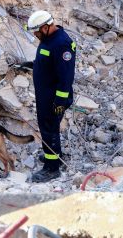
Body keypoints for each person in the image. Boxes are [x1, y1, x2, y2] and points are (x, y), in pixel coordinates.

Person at [25, 10, 77, 183]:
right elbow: (48, 64)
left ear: (46, 27)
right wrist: (31, 65)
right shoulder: (48, 39)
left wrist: (60, 101)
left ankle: (52, 168)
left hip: (54, 98)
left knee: (49, 129)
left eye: (37, 31)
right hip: (45, 94)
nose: (35, 35)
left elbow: (66, 77)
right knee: (48, 127)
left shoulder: (62, 45)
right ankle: (55, 155)